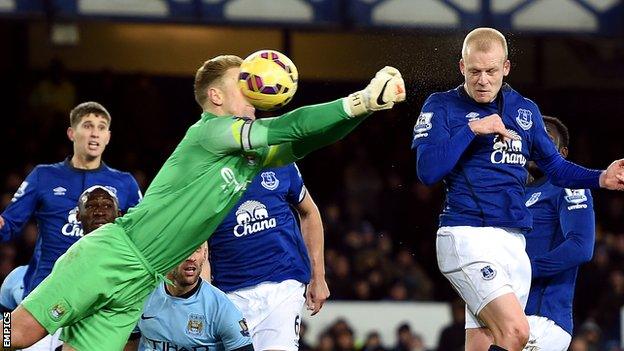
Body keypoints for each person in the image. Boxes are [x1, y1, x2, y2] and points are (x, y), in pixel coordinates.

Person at [9, 55, 406, 351]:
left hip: (140, 279)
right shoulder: (210, 133)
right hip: (114, 255)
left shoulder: (248, 158)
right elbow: (289, 126)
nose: (253, 87)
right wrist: (359, 99)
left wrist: (370, 108)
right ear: (216, 96)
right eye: (242, 81)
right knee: (20, 333)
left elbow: (306, 139)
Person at [411, 27, 624, 351]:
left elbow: (555, 167)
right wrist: (473, 129)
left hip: (513, 243)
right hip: (467, 235)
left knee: (484, 344)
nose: (483, 80)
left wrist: (601, 178)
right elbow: (427, 171)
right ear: (462, 68)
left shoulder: (524, 110)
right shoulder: (441, 106)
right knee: (516, 332)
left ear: (506, 68)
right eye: (475, 71)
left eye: (491, 71)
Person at [208, 162, 328, 351]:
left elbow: (309, 212)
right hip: (230, 294)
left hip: (283, 286)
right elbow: (198, 243)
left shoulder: (281, 161)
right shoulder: (207, 171)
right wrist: (204, 298)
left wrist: (318, 277)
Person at [1, 185, 122, 350]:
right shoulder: (18, 278)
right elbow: (7, 320)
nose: (100, 212)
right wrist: (8, 345)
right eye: (92, 206)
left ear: (119, 214)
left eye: (107, 206)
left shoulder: (128, 270)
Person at [522, 116, 595, 351]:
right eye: (533, 139)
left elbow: (580, 247)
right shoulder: (509, 193)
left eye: (547, 140)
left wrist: (522, 270)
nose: (537, 145)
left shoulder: (568, 185)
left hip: (540, 320)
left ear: (562, 154)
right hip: (504, 316)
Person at [125, 243, 254, 351]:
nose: (191, 258)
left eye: (197, 250)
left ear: (204, 255)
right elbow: (129, 341)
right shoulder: (142, 296)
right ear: (166, 254)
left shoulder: (222, 309)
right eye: (185, 250)